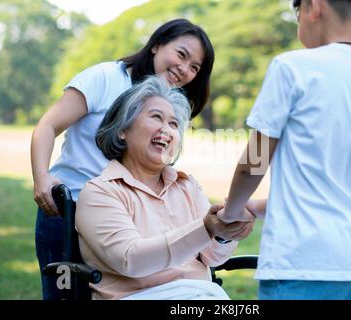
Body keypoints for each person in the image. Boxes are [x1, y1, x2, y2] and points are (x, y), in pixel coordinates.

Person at [217, 0, 351, 300]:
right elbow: (339, 190)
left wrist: (231, 214)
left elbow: (255, 162)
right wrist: (254, 208)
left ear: (315, 7)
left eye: (296, 13)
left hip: (303, 266)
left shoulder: (292, 67)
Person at [30, 18, 215, 300]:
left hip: (128, 214)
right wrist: (41, 176)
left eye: (195, 67)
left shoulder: (165, 105)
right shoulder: (105, 78)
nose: (184, 69)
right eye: (181, 55)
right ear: (156, 45)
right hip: (67, 209)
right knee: (64, 294)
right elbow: (48, 125)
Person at [75, 76, 253, 300]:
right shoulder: (100, 192)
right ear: (122, 129)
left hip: (201, 295)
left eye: (173, 124)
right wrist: (206, 229)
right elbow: (131, 259)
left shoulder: (187, 186)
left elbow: (211, 257)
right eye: (156, 117)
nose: (166, 130)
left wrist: (225, 233)